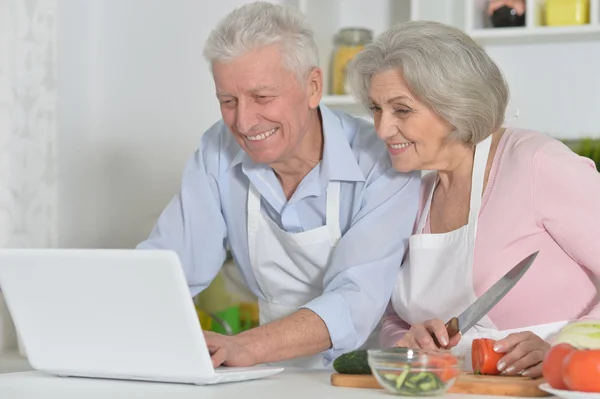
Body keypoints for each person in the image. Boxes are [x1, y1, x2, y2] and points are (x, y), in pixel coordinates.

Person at [136, 2, 420, 369]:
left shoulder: (383, 162)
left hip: (366, 374)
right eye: (228, 101)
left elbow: (356, 300)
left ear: (313, 87)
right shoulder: (217, 151)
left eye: (262, 97)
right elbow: (169, 267)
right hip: (268, 372)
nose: (244, 121)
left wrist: (249, 347)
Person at [347, 20, 600, 378]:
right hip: (449, 386)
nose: (382, 128)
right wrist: (407, 339)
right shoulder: (413, 192)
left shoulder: (536, 163)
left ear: (454, 104)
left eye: (401, 110)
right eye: (375, 108)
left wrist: (567, 346)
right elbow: (392, 318)